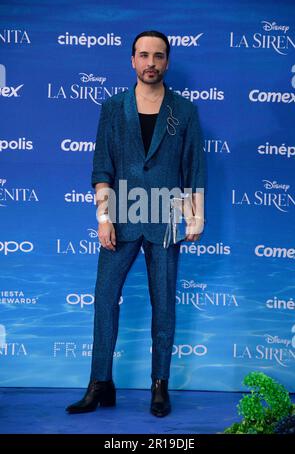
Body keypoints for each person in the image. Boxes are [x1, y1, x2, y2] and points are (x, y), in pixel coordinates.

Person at [66, 30, 205, 417]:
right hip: (122, 215)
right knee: (105, 299)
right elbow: (102, 167)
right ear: (132, 60)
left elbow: (193, 166)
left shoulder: (185, 110)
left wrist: (196, 214)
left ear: (167, 62)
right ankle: (100, 384)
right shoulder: (112, 108)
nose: (151, 63)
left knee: (164, 305)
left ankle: (160, 386)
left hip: (165, 216)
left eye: (158, 56)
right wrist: (103, 217)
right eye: (143, 55)